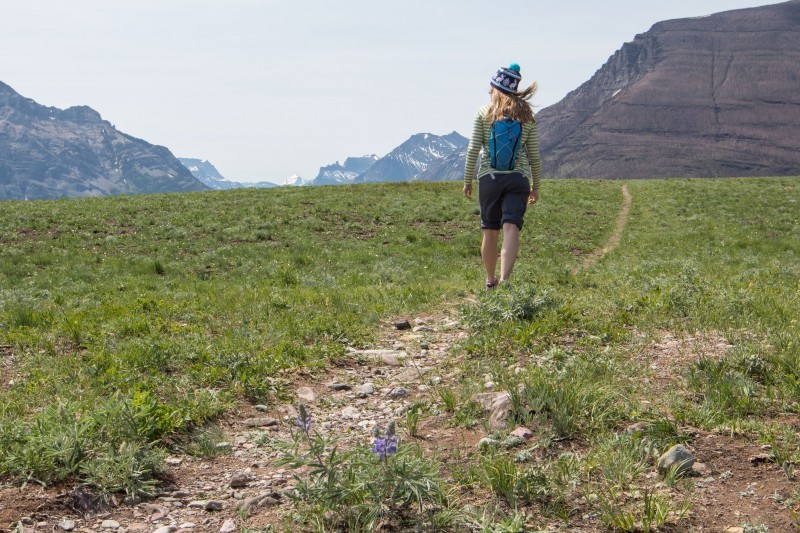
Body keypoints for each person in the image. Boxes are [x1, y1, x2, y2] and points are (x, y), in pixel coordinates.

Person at [463, 63, 542, 289]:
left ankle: (490, 281)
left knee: (490, 231)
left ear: (496, 88)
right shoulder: (527, 116)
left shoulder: (483, 113)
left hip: (490, 178)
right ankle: (506, 280)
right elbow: (534, 156)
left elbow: (472, 149)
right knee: (511, 228)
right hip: (518, 179)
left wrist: (468, 180)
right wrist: (535, 185)